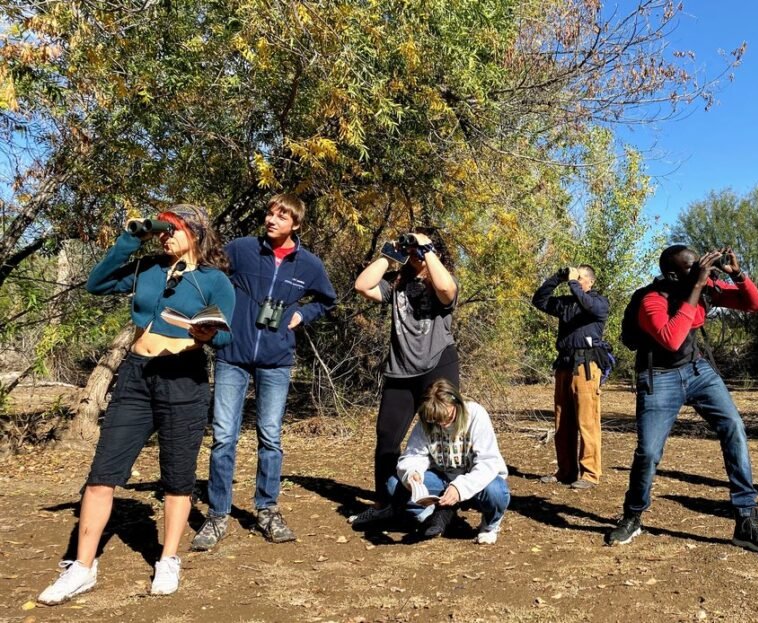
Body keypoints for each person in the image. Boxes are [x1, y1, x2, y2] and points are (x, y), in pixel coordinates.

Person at [38, 205, 235, 604]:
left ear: (195, 233)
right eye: (162, 230)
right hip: (137, 376)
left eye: (172, 230)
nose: (165, 237)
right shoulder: (147, 268)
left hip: (184, 378)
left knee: (177, 476)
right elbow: (97, 283)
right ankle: (82, 567)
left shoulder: (215, 281)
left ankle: (168, 559)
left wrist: (205, 333)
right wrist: (131, 237)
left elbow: (227, 339)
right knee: (102, 473)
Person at [606, 245, 758, 556]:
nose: (702, 268)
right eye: (693, 266)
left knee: (734, 428)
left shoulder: (702, 288)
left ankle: (746, 520)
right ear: (673, 274)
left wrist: (737, 274)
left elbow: (754, 305)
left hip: (698, 369)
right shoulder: (652, 300)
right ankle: (633, 516)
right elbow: (672, 339)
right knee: (648, 452)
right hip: (659, 376)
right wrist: (698, 285)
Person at [191, 194, 337, 551]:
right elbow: (209, 277)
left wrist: (303, 315)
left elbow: (326, 299)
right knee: (224, 436)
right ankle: (218, 514)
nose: (271, 220)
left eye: (281, 216)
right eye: (269, 213)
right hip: (232, 354)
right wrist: (213, 319)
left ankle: (267, 509)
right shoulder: (241, 249)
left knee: (270, 438)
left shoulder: (309, 265)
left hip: (277, 360)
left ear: (296, 225)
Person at [351, 228, 459, 526]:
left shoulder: (442, 280)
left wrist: (427, 250)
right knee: (387, 439)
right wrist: (390, 255)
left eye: (418, 246)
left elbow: (447, 290)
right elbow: (362, 285)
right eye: (411, 246)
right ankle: (386, 502)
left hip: (438, 365)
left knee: (443, 435)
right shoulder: (397, 283)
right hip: (400, 371)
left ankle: (445, 506)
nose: (413, 251)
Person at [354, 379, 510, 544]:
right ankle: (429, 513)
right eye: (436, 420)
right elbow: (412, 456)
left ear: (457, 404)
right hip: (442, 479)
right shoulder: (427, 421)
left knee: (497, 491)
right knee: (394, 486)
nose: (442, 424)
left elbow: (488, 462)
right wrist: (412, 473)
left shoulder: (476, 414)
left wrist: (459, 488)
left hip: (474, 481)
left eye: (448, 417)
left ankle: (489, 525)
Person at [531, 264, 610, 490]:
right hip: (564, 364)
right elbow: (539, 300)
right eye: (574, 279)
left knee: (587, 421)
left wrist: (574, 283)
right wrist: (557, 278)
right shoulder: (567, 303)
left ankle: (590, 474)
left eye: (581, 278)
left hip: (586, 366)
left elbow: (588, 305)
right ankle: (566, 471)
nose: (575, 281)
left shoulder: (599, 303)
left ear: (591, 282)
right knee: (562, 421)